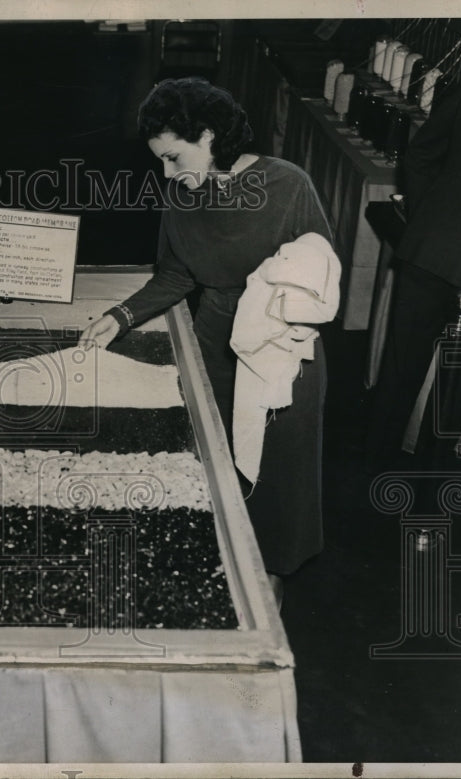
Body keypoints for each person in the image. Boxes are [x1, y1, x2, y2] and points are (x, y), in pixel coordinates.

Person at [79, 77, 335, 586]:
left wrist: (274, 310)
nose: (166, 171)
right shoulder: (181, 195)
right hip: (216, 344)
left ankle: (272, 589)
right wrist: (121, 316)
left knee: (277, 482)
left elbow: (320, 274)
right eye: (159, 160)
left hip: (283, 353)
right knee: (219, 469)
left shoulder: (287, 183)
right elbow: (176, 274)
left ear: (211, 136)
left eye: (174, 157)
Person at [365, 72, 461, 462]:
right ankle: (432, 478)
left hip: (430, 248)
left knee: (400, 366)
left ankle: (370, 469)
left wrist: (428, 217)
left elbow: (421, 156)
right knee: (456, 381)